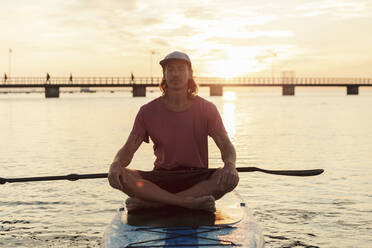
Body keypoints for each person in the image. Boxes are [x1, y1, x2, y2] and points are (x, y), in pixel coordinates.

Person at [108, 51, 239, 212]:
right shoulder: (147, 111)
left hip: (197, 177)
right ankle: (188, 203)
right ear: (164, 74)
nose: (175, 74)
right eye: (170, 70)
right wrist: (115, 165)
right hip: (161, 178)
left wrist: (230, 165)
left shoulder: (207, 109)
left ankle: (156, 203)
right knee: (122, 174)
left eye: (180, 69)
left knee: (229, 178)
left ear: (190, 73)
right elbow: (128, 150)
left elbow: (226, 145)